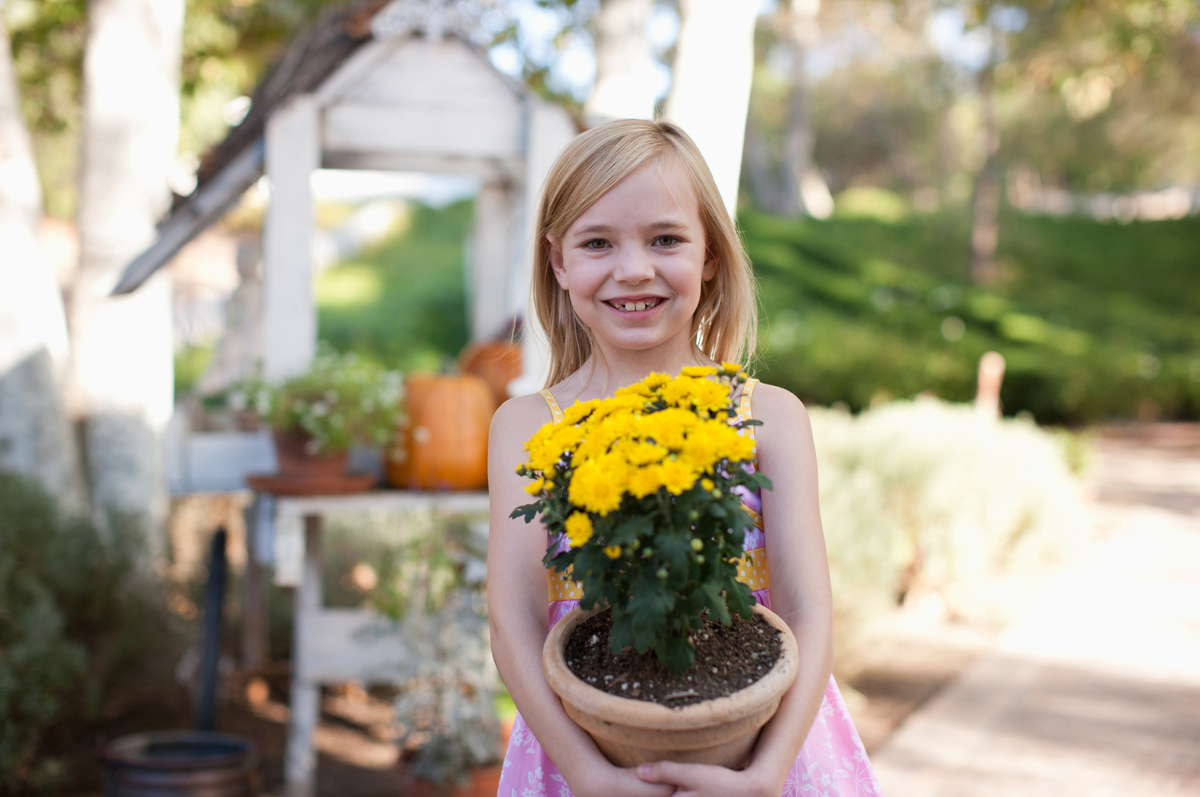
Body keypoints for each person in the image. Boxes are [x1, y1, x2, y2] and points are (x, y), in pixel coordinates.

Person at [487, 119, 882, 797]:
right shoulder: (525, 427)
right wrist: (586, 773)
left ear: (709, 256)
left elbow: (811, 612)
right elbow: (513, 617)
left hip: (764, 747)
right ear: (558, 261)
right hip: (581, 755)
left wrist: (767, 772)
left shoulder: (767, 416)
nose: (633, 268)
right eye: (597, 242)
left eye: (665, 239)